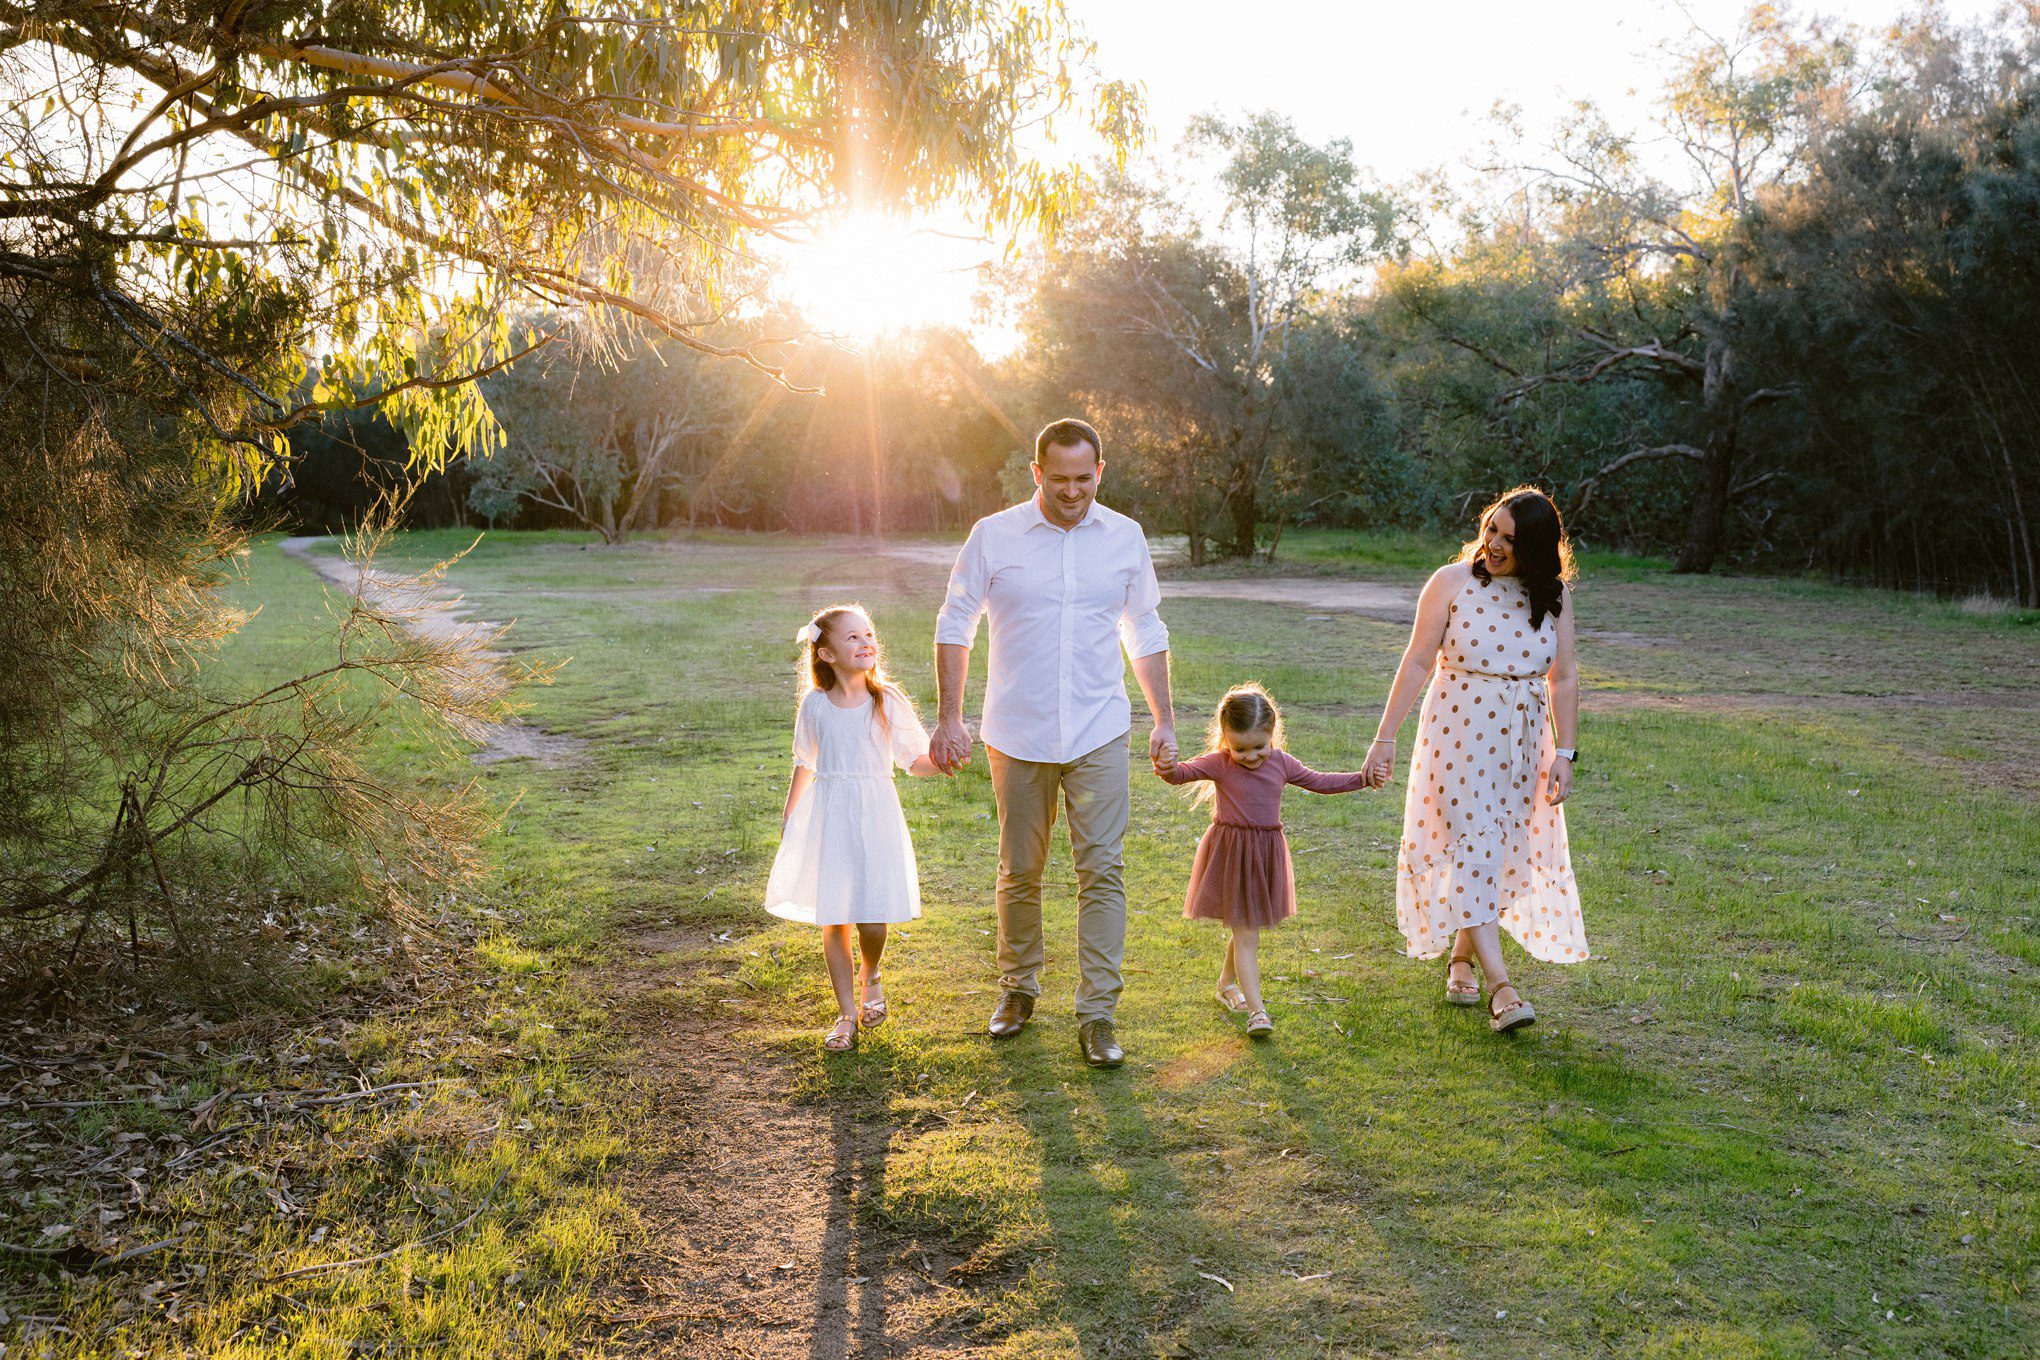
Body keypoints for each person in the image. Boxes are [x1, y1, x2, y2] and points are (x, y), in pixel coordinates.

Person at [930, 417, 1176, 1069]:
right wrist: (950, 717)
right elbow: (956, 620)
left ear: (1101, 472)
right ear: (1037, 473)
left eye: (1084, 478)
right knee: (1021, 870)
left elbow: (1144, 629)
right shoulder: (994, 536)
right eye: (1059, 479)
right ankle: (1017, 990)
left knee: (1103, 869)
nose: (1072, 492)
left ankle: (1097, 1016)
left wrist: (1164, 719)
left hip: (1099, 727)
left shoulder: (1124, 537)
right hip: (1017, 730)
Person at [1362, 486, 1587, 1033]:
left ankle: (1461, 958)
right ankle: (1501, 988)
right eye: (1491, 528)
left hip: (1521, 743)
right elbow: (1417, 660)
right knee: (1470, 844)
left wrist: (1565, 752)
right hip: (1456, 732)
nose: (1494, 544)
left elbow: (1564, 677)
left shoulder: (1552, 596)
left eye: (1510, 539)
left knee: (1497, 847)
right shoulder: (1451, 583)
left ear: (1536, 548)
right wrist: (1385, 736)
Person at [764, 605, 941, 1052]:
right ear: (825, 654)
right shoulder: (815, 706)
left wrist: (942, 760)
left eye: (869, 635)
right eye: (853, 638)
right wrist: (791, 817)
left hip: (875, 811)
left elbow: (914, 760)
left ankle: (872, 974)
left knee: (872, 919)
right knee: (835, 914)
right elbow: (805, 762)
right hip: (830, 813)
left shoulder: (887, 701)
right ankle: (846, 1013)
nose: (866, 643)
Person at [1154, 683, 1373, 1038]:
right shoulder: (1220, 764)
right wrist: (1166, 764)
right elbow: (1180, 774)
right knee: (1247, 933)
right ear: (1225, 739)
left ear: (1273, 734)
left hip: (1265, 853)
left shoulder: (1281, 763)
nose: (1251, 756)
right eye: (1240, 749)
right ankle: (1258, 1012)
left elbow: (1319, 781)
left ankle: (1227, 984)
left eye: (1259, 746)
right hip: (1231, 852)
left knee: (1246, 924)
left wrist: (1361, 779)